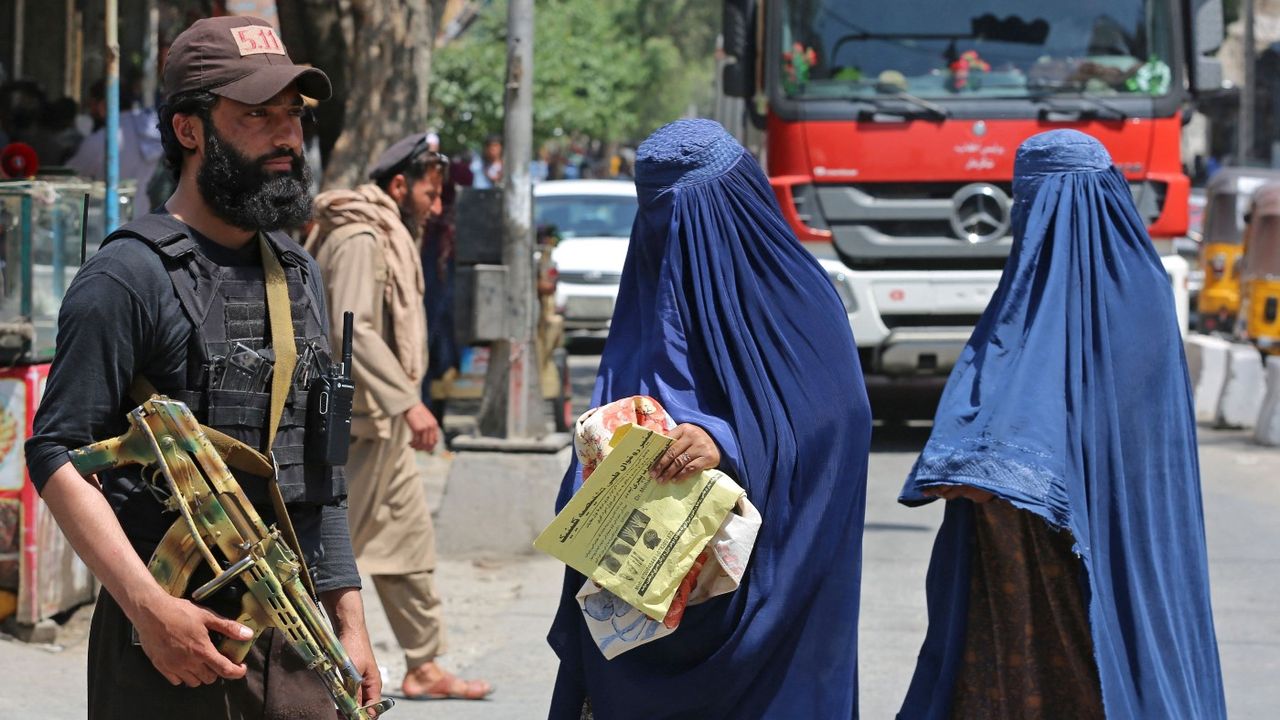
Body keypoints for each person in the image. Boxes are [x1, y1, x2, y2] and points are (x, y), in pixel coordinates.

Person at [24, 16, 385, 718]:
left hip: (296, 637)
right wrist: (150, 609)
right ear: (190, 130)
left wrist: (352, 624)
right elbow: (56, 452)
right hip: (170, 648)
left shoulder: (297, 271)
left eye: (293, 115)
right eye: (258, 114)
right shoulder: (127, 275)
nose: (287, 136)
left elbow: (319, 472)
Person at [897, 129, 1227, 719]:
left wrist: (974, 467)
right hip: (1068, 557)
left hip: (1067, 562)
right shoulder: (1144, 292)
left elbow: (1019, 430)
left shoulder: (1050, 305)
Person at [546, 119, 871, 719]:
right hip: (648, 614)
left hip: (776, 607)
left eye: (685, 219)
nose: (671, 237)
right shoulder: (645, 292)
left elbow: (838, 422)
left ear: (731, 209)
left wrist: (724, 439)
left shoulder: (799, 299)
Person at [306, 132, 493, 701]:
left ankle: (424, 664)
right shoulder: (362, 237)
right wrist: (406, 401)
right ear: (398, 186)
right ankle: (286, 662)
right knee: (324, 556)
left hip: (381, 426)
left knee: (410, 545)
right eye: (431, 196)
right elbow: (352, 328)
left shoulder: (388, 234)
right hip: (359, 426)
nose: (437, 208)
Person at [67, 79, 164, 219]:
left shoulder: (101, 140)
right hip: (146, 219)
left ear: (103, 105)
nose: (91, 110)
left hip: (108, 224)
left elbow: (72, 178)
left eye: (92, 104)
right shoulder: (153, 129)